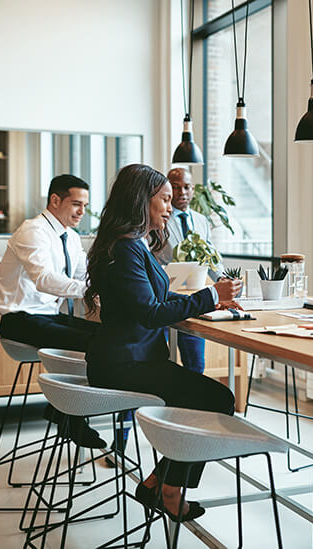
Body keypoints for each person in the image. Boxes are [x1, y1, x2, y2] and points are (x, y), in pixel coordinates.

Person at [84, 164, 241, 521]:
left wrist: (212, 299)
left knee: (205, 399)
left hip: (130, 359)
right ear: (143, 202)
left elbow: (156, 298)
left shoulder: (130, 245)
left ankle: (161, 482)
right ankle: (168, 487)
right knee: (216, 398)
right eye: (165, 199)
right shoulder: (127, 249)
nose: (171, 207)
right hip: (125, 364)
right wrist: (210, 295)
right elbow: (150, 313)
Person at [0, 174, 104, 448]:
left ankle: (64, 409)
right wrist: (90, 292)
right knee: (95, 343)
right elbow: (44, 279)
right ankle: (71, 412)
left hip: (48, 317)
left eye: (85, 205)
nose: (82, 212)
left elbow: (84, 278)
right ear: (55, 200)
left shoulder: (73, 238)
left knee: (108, 335)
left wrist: (108, 291)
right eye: (76, 204)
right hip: (18, 320)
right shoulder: (33, 231)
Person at [154, 167, 224, 374]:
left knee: (195, 364)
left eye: (186, 187)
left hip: (194, 297)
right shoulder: (158, 218)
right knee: (159, 359)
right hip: (164, 297)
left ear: (193, 189)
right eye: (176, 188)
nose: (182, 192)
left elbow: (210, 255)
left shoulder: (201, 220)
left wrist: (222, 279)